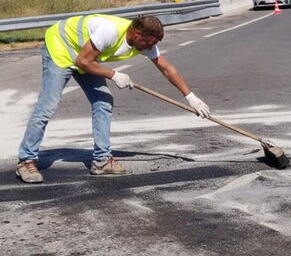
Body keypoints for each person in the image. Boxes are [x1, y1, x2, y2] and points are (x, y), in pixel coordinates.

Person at [15, 14, 210, 183]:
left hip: (86, 57)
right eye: (147, 43)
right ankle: (26, 161)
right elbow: (82, 61)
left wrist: (191, 97)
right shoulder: (109, 31)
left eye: (153, 45)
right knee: (47, 106)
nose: (149, 48)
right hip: (61, 49)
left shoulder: (146, 42)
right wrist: (114, 75)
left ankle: (101, 161)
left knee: (103, 103)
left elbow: (167, 69)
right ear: (136, 34)